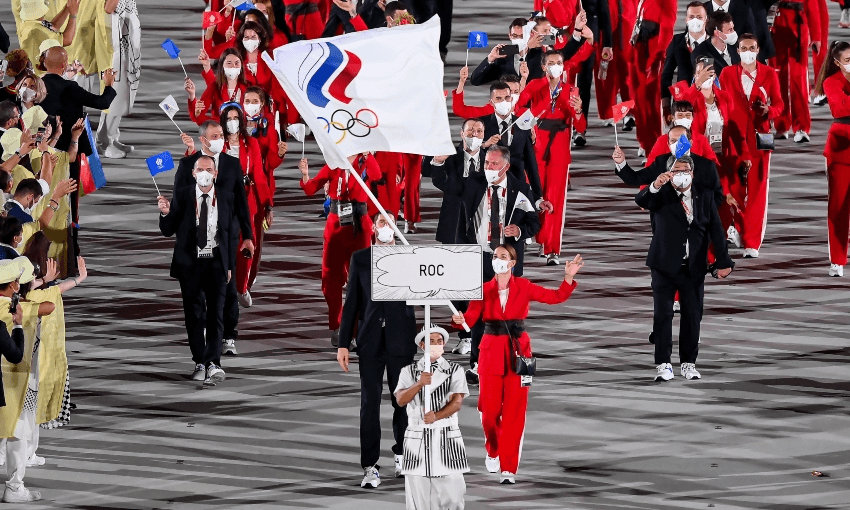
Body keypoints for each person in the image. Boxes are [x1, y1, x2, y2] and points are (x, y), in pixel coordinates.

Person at [451, 244, 582, 483]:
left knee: (514, 413)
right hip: (490, 352)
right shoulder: (483, 289)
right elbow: (470, 318)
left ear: (512, 263)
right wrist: (459, 320)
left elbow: (554, 297)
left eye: (502, 257)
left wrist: (567, 278)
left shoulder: (523, 286)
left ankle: (508, 468)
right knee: (489, 411)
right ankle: (493, 448)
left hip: (518, 353)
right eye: (494, 256)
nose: (496, 260)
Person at [635, 156, 733, 382]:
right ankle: (663, 364)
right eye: (676, 170)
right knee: (663, 316)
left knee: (692, 317)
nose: (681, 173)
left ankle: (688, 363)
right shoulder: (660, 194)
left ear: (693, 173)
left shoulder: (705, 196)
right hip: (663, 266)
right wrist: (655, 185)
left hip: (694, 267)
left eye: (685, 170)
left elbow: (716, 231)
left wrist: (724, 262)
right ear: (669, 173)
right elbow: (640, 199)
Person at [337, 213, 417, 487]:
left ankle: (403, 455)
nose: (387, 227)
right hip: (370, 342)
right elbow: (351, 305)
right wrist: (343, 344)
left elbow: (428, 293)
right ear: (373, 227)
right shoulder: (360, 259)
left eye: (391, 222)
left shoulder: (411, 257)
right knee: (369, 406)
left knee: (402, 402)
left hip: (401, 342)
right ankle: (370, 466)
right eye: (382, 222)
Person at [458, 146, 541, 384]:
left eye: (494, 164)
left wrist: (520, 231)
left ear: (505, 166)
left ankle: (511, 360)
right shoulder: (474, 184)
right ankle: (476, 364)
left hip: (506, 260)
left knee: (506, 315)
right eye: (486, 164)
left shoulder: (521, 190)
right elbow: (448, 184)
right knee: (478, 312)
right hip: (481, 257)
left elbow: (535, 223)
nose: (489, 168)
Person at [175, 121, 254, 357]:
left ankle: (229, 335)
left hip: (226, 239)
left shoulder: (232, 165)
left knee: (228, 290)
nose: (221, 138)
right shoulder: (188, 164)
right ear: (203, 140)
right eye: (215, 135)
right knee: (198, 293)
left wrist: (248, 236)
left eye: (222, 134)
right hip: (197, 240)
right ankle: (205, 342)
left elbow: (242, 203)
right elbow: (179, 200)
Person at [158, 156, 234, 386]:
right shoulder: (182, 195)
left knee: (216, 316)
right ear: (193, 173)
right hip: (190, 264)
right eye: (200, 169)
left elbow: (230, 232)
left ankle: (213, 363)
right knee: (194, 315)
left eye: (208, 169)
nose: (204, 173)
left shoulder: (226, 197)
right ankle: (199, 361)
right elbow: (168, 230)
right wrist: (165, 213)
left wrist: (229, 264)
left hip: (216, 262)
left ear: (215, 173)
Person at [300, 152, 381, 344]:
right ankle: (337, 325)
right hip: (335, 227)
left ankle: (352, 331)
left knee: (360, 281)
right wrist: (305, 174)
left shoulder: (364, 162)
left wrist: (368, 156)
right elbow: (311, 189)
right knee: (330, 280)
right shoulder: (333, 164)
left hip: (359, 228)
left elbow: (377, 176)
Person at [515, 49, 586, 266]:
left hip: (560, 146)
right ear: (544, 66)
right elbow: (518, 108)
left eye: (559, 62)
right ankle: (529, 232)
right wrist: (530, 126)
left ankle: (551, 248)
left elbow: (581, 127)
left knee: (555, 198)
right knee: (535, 192)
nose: (556, 66)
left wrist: (579, 111)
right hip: (537, 145)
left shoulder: (572, 90)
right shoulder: (535, 86)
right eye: (552, 62)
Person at [718, 33, 782, 258]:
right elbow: (720, 101)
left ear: (758, 50)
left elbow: (780, 105)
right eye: (743, 48)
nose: (747, 52)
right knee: (734, 189)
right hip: (733, 138)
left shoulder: (769, 74)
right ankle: (738, 227)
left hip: (760, 138)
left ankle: (752, 242)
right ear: (737, 51)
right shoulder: (727, 73)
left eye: (751, 48)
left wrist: (769, 111)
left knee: (757, 191)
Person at [395, 324, 469, 509]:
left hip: (446, 434)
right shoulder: (408, 371)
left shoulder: (455, 370)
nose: (436, 345)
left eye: (439, 341)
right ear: (422, 345)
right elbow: (400, 400)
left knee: (454, 496)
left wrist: (436, 416)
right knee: (420, 500)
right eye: (431, 342)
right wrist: (419, 384)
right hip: (417, 437)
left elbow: (457, 402)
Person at [0, 257, 55, 504]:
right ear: (13, 286)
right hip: (12, 385)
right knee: (16, 434)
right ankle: (14, 487)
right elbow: (49, 307)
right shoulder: (17, 310)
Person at [452, 78, 544, 204]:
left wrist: (538, 197)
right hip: (488, 190)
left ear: (512, 98)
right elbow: (463, 152)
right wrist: (484, 144)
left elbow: (531, 162)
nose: (504, 102)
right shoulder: (481, 124)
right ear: (491, 102)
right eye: (498, 99)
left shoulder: (524, 122)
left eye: (507, 97)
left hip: (517, 189)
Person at [220, 103, 269, 308]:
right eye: (229, 119)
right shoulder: (218, 143)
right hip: (224, 201)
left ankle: (242, 287)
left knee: (248, 245)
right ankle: (224, 285)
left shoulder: (251, 145)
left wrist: (268, 205)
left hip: (247, 200)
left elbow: (259, 176)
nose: (233, 122)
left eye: (236, 118)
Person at [815, 40, 850, 277]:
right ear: (837, 63)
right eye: (847, 60)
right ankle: (837, 259)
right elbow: (839, 110)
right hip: (841, 149)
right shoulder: (831, 81)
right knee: (839, 208)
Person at [628, 0, 677, 157]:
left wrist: (660, 54)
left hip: (653, 50)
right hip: (639, 48)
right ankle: (644, 141)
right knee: (639, 99)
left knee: (652, 102)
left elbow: (668, 24)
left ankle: (655, 146)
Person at [95, 0, 141, 159]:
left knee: (124, 92)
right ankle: (105, 144)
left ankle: (110, 137)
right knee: (115, 93)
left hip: (125, 42)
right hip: (114, 46)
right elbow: (107, 9)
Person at [771, 0, 822, 142]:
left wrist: (816, 36)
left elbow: (812, 6)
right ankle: (781, 125)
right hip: (775, 24)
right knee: (777, 76)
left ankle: (801, 127)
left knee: (798, 78)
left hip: (798, 24)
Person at [662, 2, 708, 125]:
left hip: (708, 103)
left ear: (706, 19)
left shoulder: (714, 43)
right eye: (692, 17)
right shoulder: (677, 42)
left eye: (699, 17)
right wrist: (666, 106)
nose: (695, 20)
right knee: (682, 142)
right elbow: (666, 75)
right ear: (686, 19)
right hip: (682, 105)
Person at [187, 48, 246, 125]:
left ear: (241, 65)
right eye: (229, 63)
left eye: (237, 63)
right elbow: (198, 117)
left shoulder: (248, 87)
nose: (233, 66)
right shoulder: (215, 86)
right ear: (222, 66)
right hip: (220, 133)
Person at [17, 0, 80, 68]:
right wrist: (73, 15)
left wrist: (68, 7)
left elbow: (53, 26)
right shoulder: (37, 31)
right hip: (40, 75)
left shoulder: (28, 23)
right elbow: (67, 40)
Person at [691, 11, 740, 78]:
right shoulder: (701, 53)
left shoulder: (736, 48)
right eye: (730, 30)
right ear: (717, 33)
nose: (733, 32)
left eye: (733, 29)